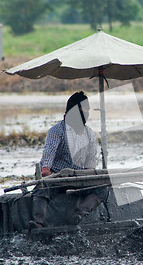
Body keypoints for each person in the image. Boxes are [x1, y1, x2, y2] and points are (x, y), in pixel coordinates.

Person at [28, 91, 101, 229]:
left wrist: (91, 175)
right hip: (58, 177)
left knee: (103, 189)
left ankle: (78, 215)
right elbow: (49, 153)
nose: (85, 113)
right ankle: (38, 222)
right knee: (42, 187)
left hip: (80, 178)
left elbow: (91, 160)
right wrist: (46, 170)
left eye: (87, 110)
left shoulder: (90, 134)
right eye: (82, 110)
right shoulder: (57, 131)